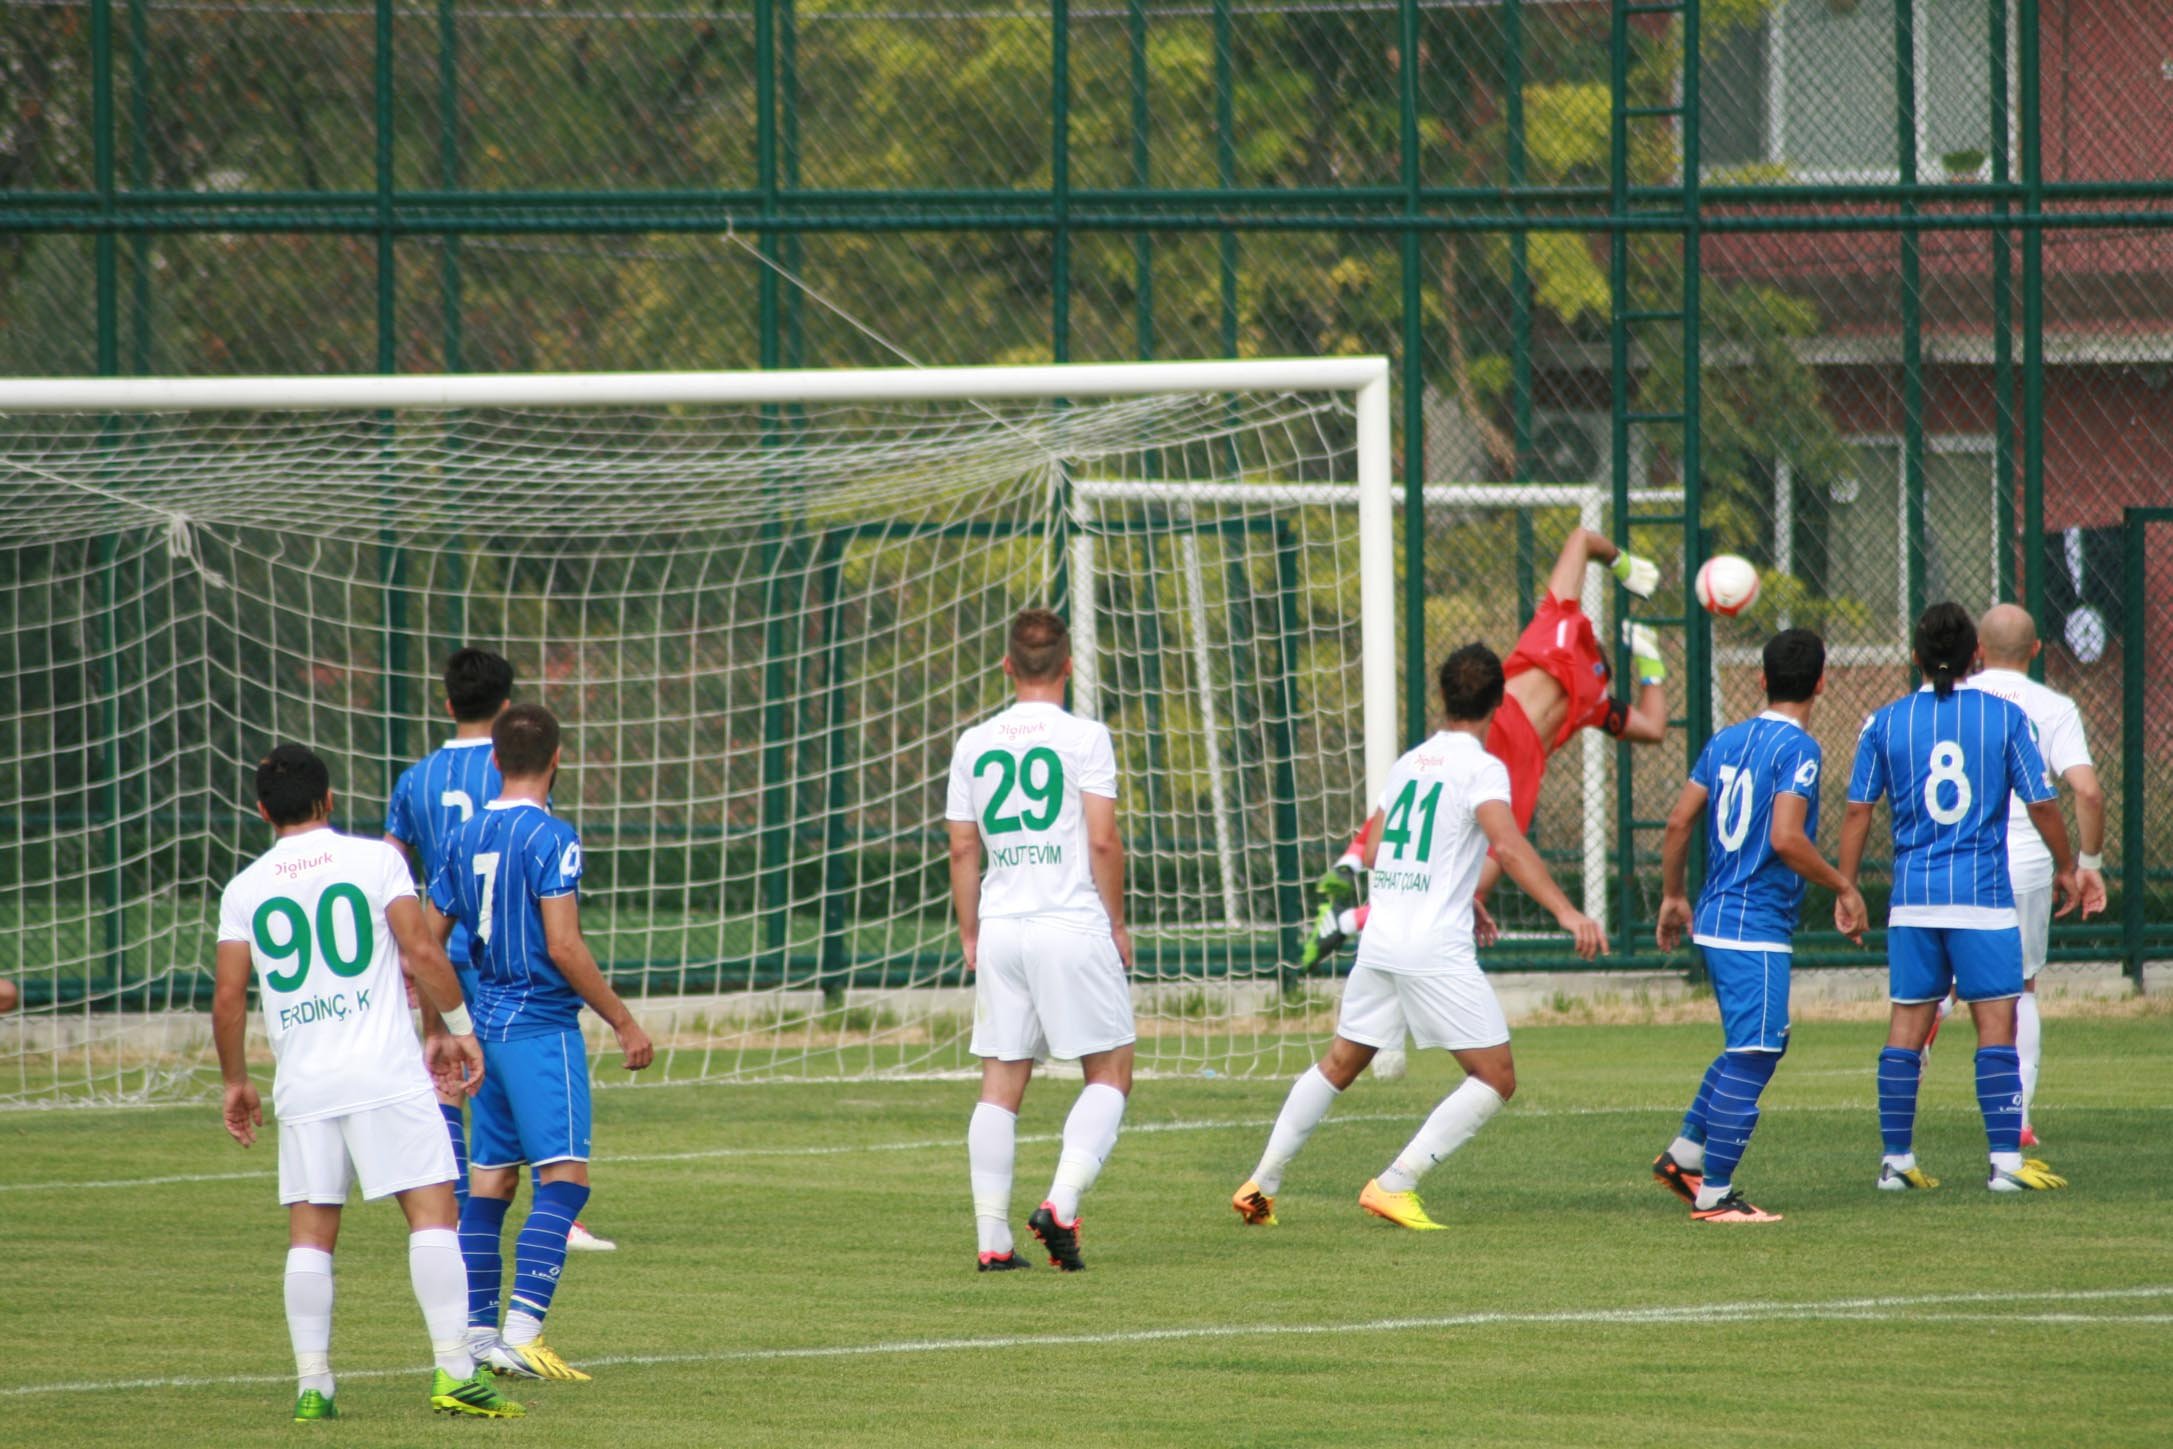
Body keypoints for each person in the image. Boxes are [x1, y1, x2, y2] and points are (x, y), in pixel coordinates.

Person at [1231, 643, 1607, 1232]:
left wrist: (1467, 894)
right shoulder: (1482, 769)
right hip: (1431, 946)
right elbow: (1505, 845)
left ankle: (1261, 1183)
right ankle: (1395, 1183)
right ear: (1500, 701)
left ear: (1443, 697)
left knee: (1338, 1064)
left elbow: (1378, 849)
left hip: (1382, 937)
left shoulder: (1410, 763)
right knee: (1495, 1077)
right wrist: (1567, 913)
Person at [211, 745, 522, 1422]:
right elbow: (420, 950)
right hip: (384, 1072)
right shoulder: (377, 861)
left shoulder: (244, 889)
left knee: (310, 1235)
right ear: (329, 800)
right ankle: (452, 1370)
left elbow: (229, 998)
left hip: (304, 1083)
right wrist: (458, 1027)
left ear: (262, 811)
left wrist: (236, 1080)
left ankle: (313, 1383)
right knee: (434, 1217)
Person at [1305, 528, 1667, 968]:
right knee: (1470, 877)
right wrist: (1651, 666)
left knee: (1422, 797)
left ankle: (1347, 876)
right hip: (1507, 736)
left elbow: (1582, 540)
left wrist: (1621, 564)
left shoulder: (1563, 634)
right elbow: (1653, 726)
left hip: (1513, 742)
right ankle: (1347, 909)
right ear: (1606, 668)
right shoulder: (1585, 677)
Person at [426, 703, 654, 1380]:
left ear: (494, 759)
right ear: (557, 759)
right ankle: (523, 1332)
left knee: (491, 1182)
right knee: (565, 1177)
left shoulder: (461, 838)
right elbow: (563, 943)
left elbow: (427, 943)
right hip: (541, 1027)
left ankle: (475, 1335)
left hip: (485, 1028)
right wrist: (622, 1019)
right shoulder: (553, 836)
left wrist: (442, 1028)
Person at [1837, 603, 2079, 1194]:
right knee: (1996, 1027)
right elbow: (2042, 802)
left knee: (1906, 1029)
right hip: (1983, 900)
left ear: (1915, 657)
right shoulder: (2005, 717)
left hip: (1914, 901)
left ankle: (1896, 1162)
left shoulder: (1883, 722)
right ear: (1975, 657)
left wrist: (1846, 886)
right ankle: (2005, 1165)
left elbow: (1857, 810)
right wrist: (2068, 866)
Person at [384, 648, 616, 1257]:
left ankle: (453, 1215)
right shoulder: (520, 782)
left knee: (450, 1082)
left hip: (441, 947)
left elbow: (390, 865)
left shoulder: (416, 779)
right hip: (510, 957)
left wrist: (409, 953)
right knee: (530, 1092)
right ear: (507, 705)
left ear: (447, 701)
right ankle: (558, 1215)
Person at [1650, 629, 1868, 1223]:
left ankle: (1686, 1157)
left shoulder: (1724, 739)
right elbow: (1786, 839)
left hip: (1718, 916)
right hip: (1755, 924)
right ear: (1821, 683)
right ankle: (1716, 1197)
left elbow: (1676, 824)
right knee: (1755, 1050)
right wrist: (1843, 885)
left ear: (1762, 680)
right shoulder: (1800, 750)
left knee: (1758, 1043)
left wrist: (1674, 895)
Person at [946, 608, 1134, 1273]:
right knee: (1109, 1071)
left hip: (1001, 926)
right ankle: (1058, 1203)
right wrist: (1115, 923)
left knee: (999, 1083)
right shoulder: (1086, 736)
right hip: (1068, 920)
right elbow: (1103, 839)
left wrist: (970, 929)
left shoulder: (973, 741)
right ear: (1067, 666)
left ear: (1005, 665)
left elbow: (962, 846)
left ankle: (992, 1240)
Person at [1959, 603, 2109, 1146]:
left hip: (1954, 858)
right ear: (2038, 650)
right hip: (2023, 862)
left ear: (1977, 649)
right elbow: (2087, 791)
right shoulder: (2054, 706)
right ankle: (2016, 1118)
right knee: (2019, 985)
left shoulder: (1953, 700)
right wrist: (2085, 865)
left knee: (1929, 989)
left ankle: (1899, 1133)